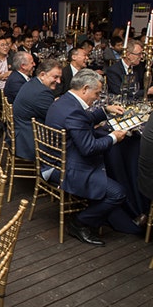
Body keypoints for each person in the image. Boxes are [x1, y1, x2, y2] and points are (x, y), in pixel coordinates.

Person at [45, 69, 141, 246]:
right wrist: (113, 138)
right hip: (64, 168)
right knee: (118, 193)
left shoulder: (65, 101)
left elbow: (82, 119)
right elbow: (89, 148)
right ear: (85, 89)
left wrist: (105, 110)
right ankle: (80, 222)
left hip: (55, 158)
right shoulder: (74, 111)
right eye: (96, 93)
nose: (97, 98)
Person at [13, 59, 62, 161]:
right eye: (55, 77)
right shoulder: (42, 93)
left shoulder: (34, 83)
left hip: (22, 132)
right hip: (30, 142)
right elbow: (57, 119)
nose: (59, 81)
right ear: (43, 75)